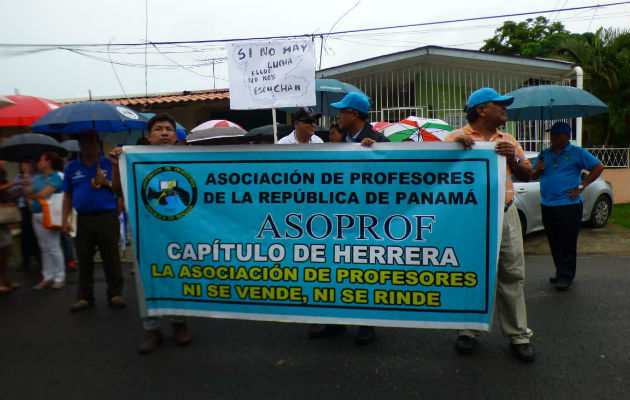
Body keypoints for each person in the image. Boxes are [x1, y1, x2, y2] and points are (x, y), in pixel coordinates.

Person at [445, 87, 535, 363]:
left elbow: (527, 174)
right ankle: (468, 330)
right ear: (482, 109)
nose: (505, 109)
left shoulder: (508, 139)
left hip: (505, 214)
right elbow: (434, 172)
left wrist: (511, 158)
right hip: (471, 217)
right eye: (500, 105)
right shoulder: (454, 138)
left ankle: (518, 335)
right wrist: (453, 149)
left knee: (512, 273)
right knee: (473, 273)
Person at [301, 92, 388, 345]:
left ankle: (366, 324)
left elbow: (395, 174)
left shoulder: (379, 140)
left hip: (366, 219)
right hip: (339, 217)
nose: (339, 115)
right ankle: (335, 321)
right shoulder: (342, 141)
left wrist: (377, 155)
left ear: (355, 115)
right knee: (337, 270)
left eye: (343, 111)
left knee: (364, 271)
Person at [110, 113, 192, 354]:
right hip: (146, 229)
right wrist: (116, 168)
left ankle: (179, 323)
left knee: (179, 274)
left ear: (175, 135)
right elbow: (118, 190)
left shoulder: (187, 159)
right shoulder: (135, 159)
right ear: (149, 135)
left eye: (169, 128)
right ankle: (152, 328)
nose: (165, 132)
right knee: (147, 278)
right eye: (159, 128)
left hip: (180, 229)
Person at [532, 122, 605, 291]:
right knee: (554, 241)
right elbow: (532, 174)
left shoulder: (577, 152)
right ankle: (561, 272)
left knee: (567, 241)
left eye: (557, 134)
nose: (553, 137)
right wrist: (538, 169)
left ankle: (566, 276)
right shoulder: (545, 154)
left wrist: (581, 186)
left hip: (568, 205)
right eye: (552, 134)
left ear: (567, 136)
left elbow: (598, 166)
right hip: (547, 204)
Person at [62, 131, 125, 312]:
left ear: (98, 145)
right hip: (82, 218)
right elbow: (67, 194)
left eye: (92, 142)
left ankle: (115, 293)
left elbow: (119, 190)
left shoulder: (108, 163)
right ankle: (84, 297)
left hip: (107, 217)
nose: (88, 145)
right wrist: (64, 219)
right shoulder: (72, 167)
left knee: (111, 257)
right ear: (79, 145)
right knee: (84, 259)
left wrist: (106, 182)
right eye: (84, 142)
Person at [24, 152, 66, 290]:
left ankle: (59, 276)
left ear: (48, 162)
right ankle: (48, 276)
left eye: (41, 160)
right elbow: (27, 191)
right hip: (36, 213)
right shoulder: (38, 178)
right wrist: (26, 174)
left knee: (53, 246)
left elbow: (44, 194)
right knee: (44, 247)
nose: (38, 163)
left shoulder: (55, 177)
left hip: (49, 214)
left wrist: (32, 196)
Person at [10, 158, 42, 271]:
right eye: (24, 163)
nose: (27, 165)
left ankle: (39, 259)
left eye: (29, 162)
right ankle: (25, 261)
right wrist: (25, 188)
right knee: (25, 234)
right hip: (24, 208)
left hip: (37, 207)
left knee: (37, 234)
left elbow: (37, 191)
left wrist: (27, 190)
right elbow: (15, 193)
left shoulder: (39, 176)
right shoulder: (18, 177)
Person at [0, 162, 26, 293]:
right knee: (3, 250)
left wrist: (14, 194)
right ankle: (2, 282)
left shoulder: (2, 172)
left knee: (6, 249)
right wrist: (14, 184)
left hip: (3, 218)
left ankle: (6, 280)